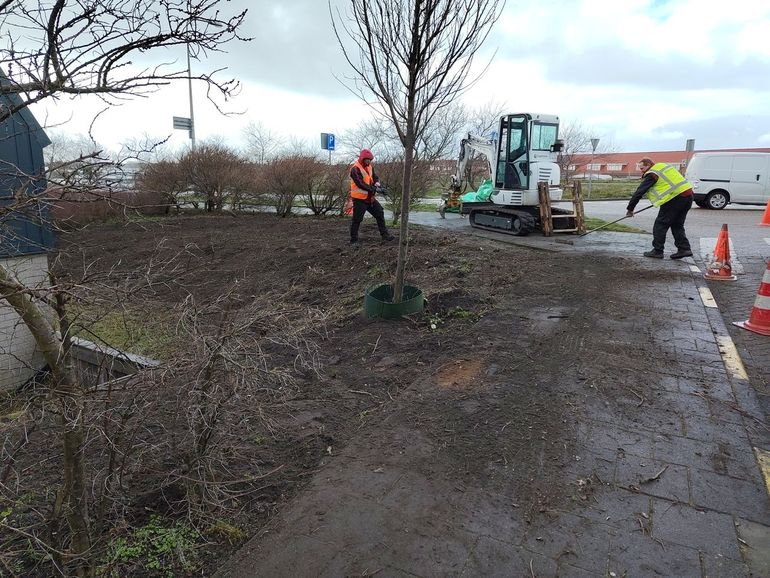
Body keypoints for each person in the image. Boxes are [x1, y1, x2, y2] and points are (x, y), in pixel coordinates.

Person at [625, 157, 694, 259]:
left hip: (674, 198)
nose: (641, 171)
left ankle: (658, 251)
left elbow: (639, 192)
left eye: (642, 168)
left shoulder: (652, 174)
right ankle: (684, 249)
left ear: (648, 165)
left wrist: (630, 209)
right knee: (677, 224)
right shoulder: (662, 166)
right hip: (688, 196)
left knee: (660, 224)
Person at [349, 148, 394, 245]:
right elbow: (360, 183)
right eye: (367, 159)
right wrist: (375, 189)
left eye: (370, 159)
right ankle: (353, 240)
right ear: (362, 159)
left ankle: (385, 235)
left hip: (370, 198)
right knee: (357, 219)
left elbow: (374, 177)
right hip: (359, 199)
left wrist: (377, 183)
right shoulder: (355, 169)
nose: (369, 161)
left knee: (379, 213)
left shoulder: (370, 167)